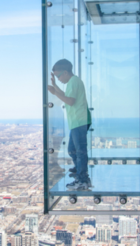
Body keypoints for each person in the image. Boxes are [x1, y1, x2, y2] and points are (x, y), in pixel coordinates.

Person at [48, 59, 91, 191]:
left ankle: (82, 180)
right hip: (77, 121)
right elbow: (66, 96)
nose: (59, 79)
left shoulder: (73, 82)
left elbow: (70, 101)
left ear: (65, 72)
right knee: (72, 150)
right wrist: (55, 86)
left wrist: (55, 92)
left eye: (58, 76)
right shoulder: (73, 82)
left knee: (79, 151)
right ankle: (79, 169)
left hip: (79, 121)